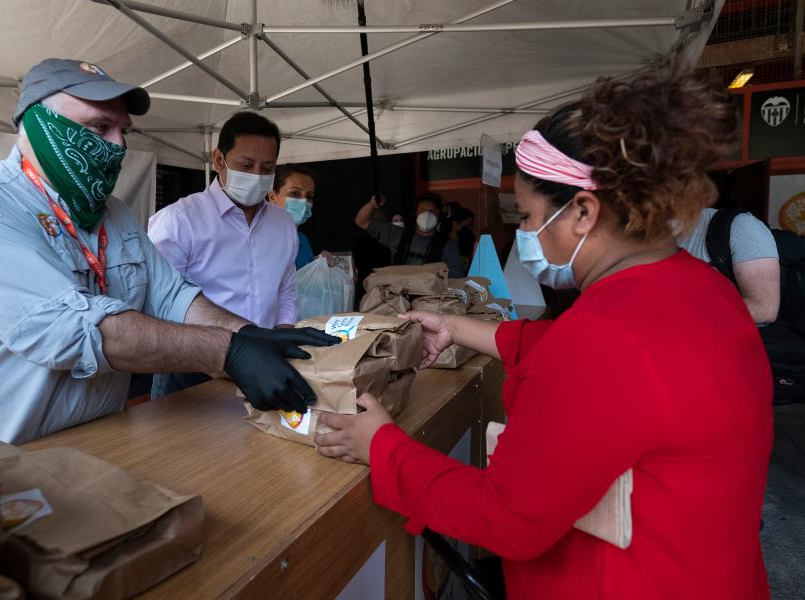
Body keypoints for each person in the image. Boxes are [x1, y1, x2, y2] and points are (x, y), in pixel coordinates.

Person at [316, 65, 772, 599]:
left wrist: (383, 447)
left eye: (529, 218)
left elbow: (505, 516)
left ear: (583, 211)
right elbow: (588, 357)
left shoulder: (604, 338)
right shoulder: (704, 290)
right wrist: (458, 327)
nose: (526, 235)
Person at [0, 59, 338, 443]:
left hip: (87, 450)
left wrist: (248, 336)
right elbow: (77, 332)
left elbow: (173, 297)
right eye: (98, 127)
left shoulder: (116, 215)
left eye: (122, 129)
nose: (118, 145)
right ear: (38, 123)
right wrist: (230, 352)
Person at [147, 112, 305, 397]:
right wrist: (216, 357)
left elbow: (285, 291)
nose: (257, 176)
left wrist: (282, 335)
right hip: (191, 369)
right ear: (219, 159)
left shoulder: (282, 225)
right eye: (246, 165)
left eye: (266, 168)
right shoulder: (179, 220)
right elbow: (158, 301)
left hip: (264, 365)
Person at [678, 208, 780, 324]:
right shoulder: (656, 236)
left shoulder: (743, 226)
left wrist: (682, 314)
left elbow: (765, 309)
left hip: (730, 334)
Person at [354, 192, 465, 276]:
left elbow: (456, 276)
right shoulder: (398, 234)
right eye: (422, 210)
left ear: (439, 215)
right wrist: (372, 204)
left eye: (432, 211)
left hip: (429, 300)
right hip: (399, 296)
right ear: (415, 213)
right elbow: (361, 221)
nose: (427, 214)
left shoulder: (448, 245)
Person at [266, 163, 331, 270]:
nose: (304, 201)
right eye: (295, 193)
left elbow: (302, 275)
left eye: (309, 196)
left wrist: (319, 262)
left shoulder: (301, 239)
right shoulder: (259, 239)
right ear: (272, 197)